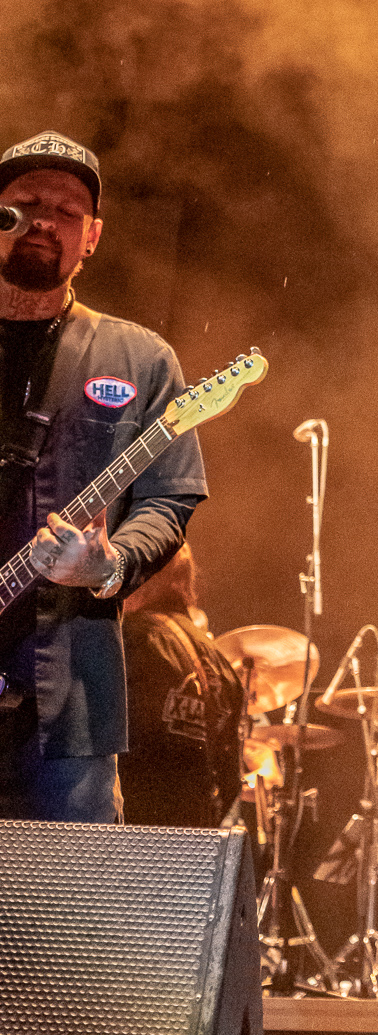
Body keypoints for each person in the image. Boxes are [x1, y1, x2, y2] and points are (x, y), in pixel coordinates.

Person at [0, 130, 207, 822]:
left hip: (70, 703)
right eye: (27, 203)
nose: (44, 221)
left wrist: (108, 566)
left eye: (67, 212)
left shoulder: (138, 358)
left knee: (71, 886)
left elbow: (168, 498)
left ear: (91, 237)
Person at [120, 542, 245, 828]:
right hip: (194, 837)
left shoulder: (130, 637)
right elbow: (230, 780)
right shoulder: (220, 663)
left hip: (130, 836)